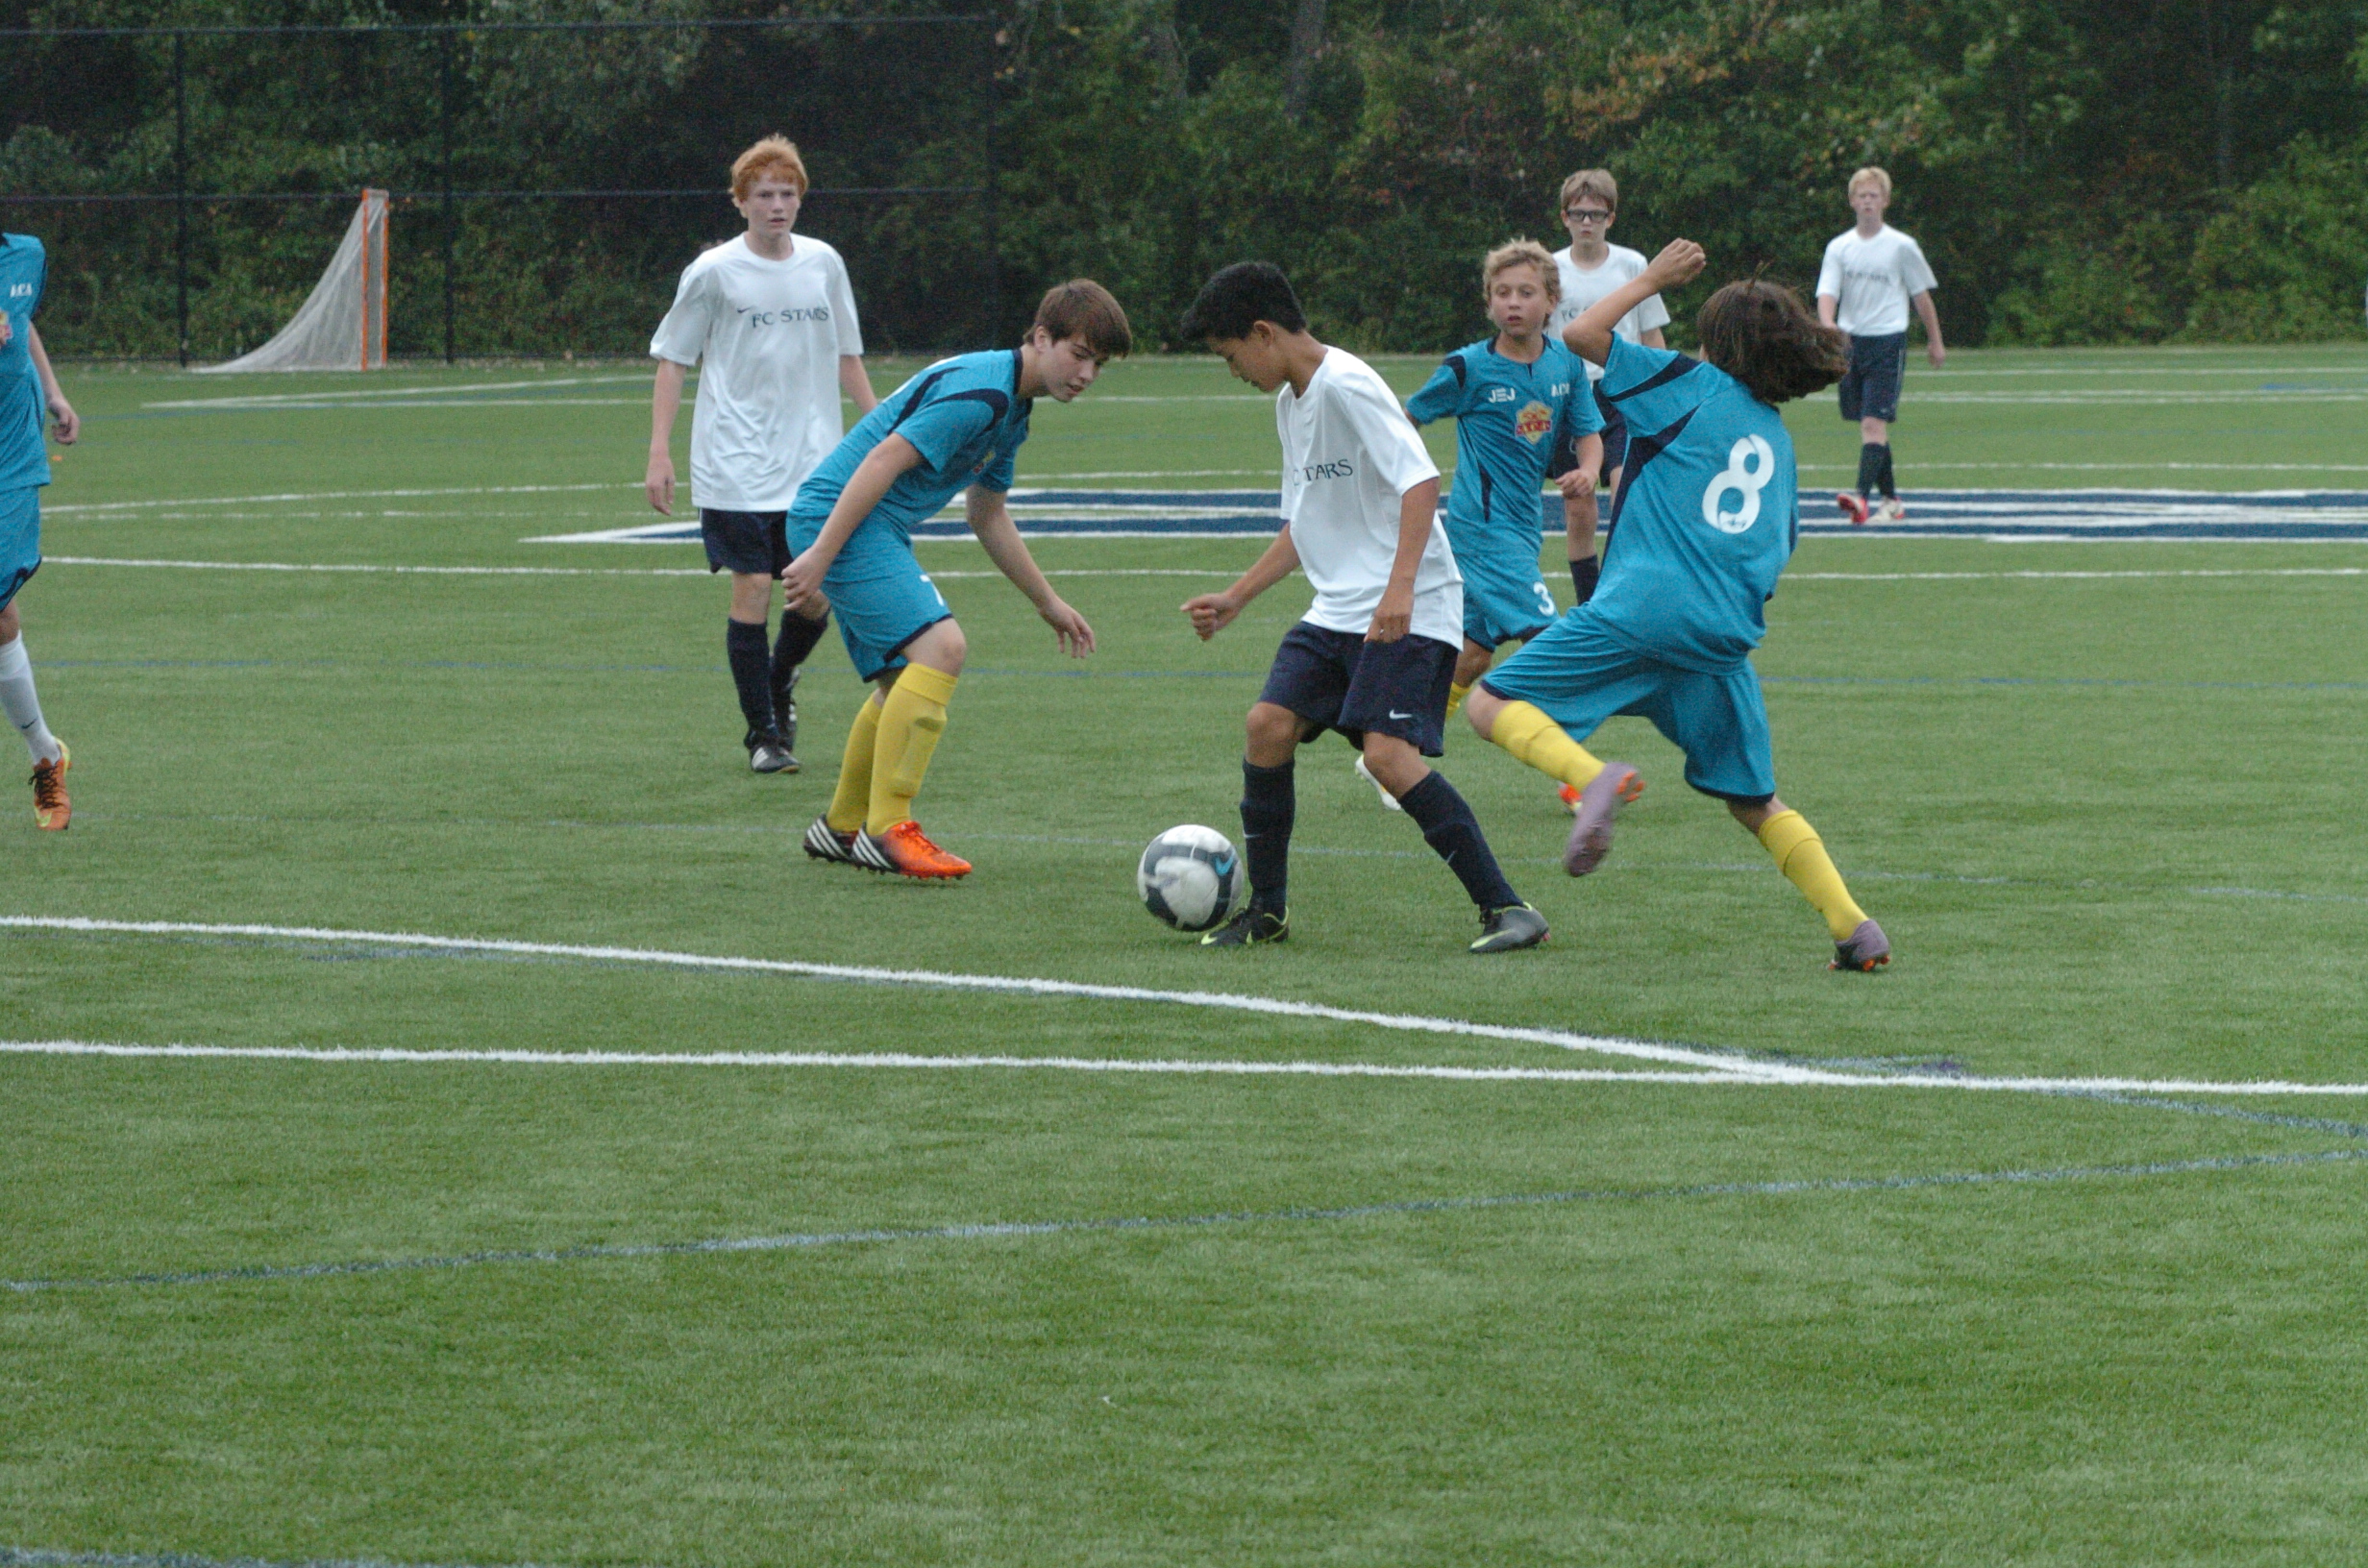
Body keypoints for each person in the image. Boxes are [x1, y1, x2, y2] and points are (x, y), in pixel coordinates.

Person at [1465, 239, 1891, 971]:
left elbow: (1581, 334)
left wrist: (1652, 279)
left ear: (1717, 346)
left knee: (1488, 703)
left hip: (1644, 609)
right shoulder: (1776, 439)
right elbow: (1779, 545)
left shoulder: (1687, 383)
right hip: (1721, 635)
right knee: (1754, 801)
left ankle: (1592, 777)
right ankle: (1855, 928)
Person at [1176, 261, 1548, 955]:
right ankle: (1268, 911)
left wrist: (1400, 588)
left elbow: (1420, 482)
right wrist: (1236, 596)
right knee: (1266, 725)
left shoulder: (1347, 384)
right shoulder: (1290, 405)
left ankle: (1507, 908)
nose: (1233, 371)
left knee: (1387, 757)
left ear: (1263, 333)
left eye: (1230, 356)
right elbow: (1303, 523)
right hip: (1340, 609)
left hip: (1412, 605)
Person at [783, 281, 1124, 880]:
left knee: (900, 680)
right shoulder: (983, 395)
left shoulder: (1013, 408)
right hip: (842, 520)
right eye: (1079, 355)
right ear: (1041, 338)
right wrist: (820, 555)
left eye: (1099, 364)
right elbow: (883, 459)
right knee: (943, 648)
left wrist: (1046, 601)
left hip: (861, 524)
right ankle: (888, 830)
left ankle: (842, 827)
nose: (1087, 374)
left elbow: (986, 515)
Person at [647, 135, 876, 773]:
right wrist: (659, 451)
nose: (777, 205)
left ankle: (778, 679)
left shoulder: (824, 263)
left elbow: (847, 357)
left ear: (801, 199)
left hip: (814, 464)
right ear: (740, 201)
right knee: (752, 588)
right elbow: (673, 361)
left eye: (788, 194)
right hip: (735, 461)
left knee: (814, 596)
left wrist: (882, 429)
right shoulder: (714, 271)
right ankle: (764, 738)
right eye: (765, 195)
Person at [1376, 239, 1599, 816]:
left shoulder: (1566, 365)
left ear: (1551, 301)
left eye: (1526, 292)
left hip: (1524, 530)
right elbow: (1404, 421)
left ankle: (1396, 749)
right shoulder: (1467, 367)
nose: (1513, 303)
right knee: (1553, 645)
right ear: (1488, 303)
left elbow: (1589, 435)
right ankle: (1579, 778)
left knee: (1473, 654)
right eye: (1502, 293)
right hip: (1482, 532)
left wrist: (1588, 470)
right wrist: (1401, 482)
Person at [1547, 169, 1669, 605]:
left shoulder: (1633, 266)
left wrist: (1660, 393)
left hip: (1622, 394)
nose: (1587, 222)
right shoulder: (1550, 270)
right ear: (1564, 217)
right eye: (1578, 213)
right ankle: (1589, 604)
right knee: (1580, 506)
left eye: (1596, 214)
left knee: (1625, 496)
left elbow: (1651, 334)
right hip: (1571, 397)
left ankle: (1624, 596)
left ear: (1611, 218)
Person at [0, 230, 79, 830]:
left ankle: (45, 761)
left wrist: (53, 393)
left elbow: (21, 321)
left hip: (11, 460)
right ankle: (46, 752)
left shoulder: (26, 254)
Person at [1816, 166, 1943, 526]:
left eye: (1874, 195)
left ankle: (1860, 498)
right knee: (1870, 425)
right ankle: (1891, 501)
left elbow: (1921, 296)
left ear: (1885, 201)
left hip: (1887, 341)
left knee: (1873, 423)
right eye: (1862, 196)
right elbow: (1828, 292)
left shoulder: (1901, 246)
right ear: (1852, 201)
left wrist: (1935, 340)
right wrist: (1828, 326)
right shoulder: (1839, 247)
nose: (1868, 202)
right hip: (1851, 343)